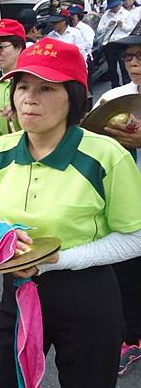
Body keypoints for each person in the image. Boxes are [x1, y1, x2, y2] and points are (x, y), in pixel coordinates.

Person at [0, 37, 141, 387]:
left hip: (87, 293)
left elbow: (136, 238)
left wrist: (59, 259)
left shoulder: (106, 155)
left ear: (74, 98)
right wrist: (0, 233)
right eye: (22, 86)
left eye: (47, 88)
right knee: (1, 378)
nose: (29, 98)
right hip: (19, 287)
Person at [91, 34, 141, 376]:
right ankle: (132, 338)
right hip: (128, 205)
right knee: (128, 271)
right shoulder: (115, 99)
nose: (134, 63)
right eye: (128, 58)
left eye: (140, 56)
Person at [98, 0, 135, 88]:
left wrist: (122, 25)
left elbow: (131, 29)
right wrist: (108, 25)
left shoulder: (126, 14)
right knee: (112, 68)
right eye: (112, 7)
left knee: (124, 67)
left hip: (122, 44)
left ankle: (127, 86)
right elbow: (99, 30)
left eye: (115, 6)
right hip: (109, 44)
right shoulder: (106, 16)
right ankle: (115, 86)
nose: (114, 9)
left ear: (119, 4)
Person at [68, 4, 96, 104]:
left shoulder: (85, 28)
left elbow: (89, 44)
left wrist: (73, 47)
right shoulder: (68, 30)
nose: (71, 17)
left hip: (85, 60)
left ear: (78, 16)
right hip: (71, 63)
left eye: (73, 15)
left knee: (86, 87)